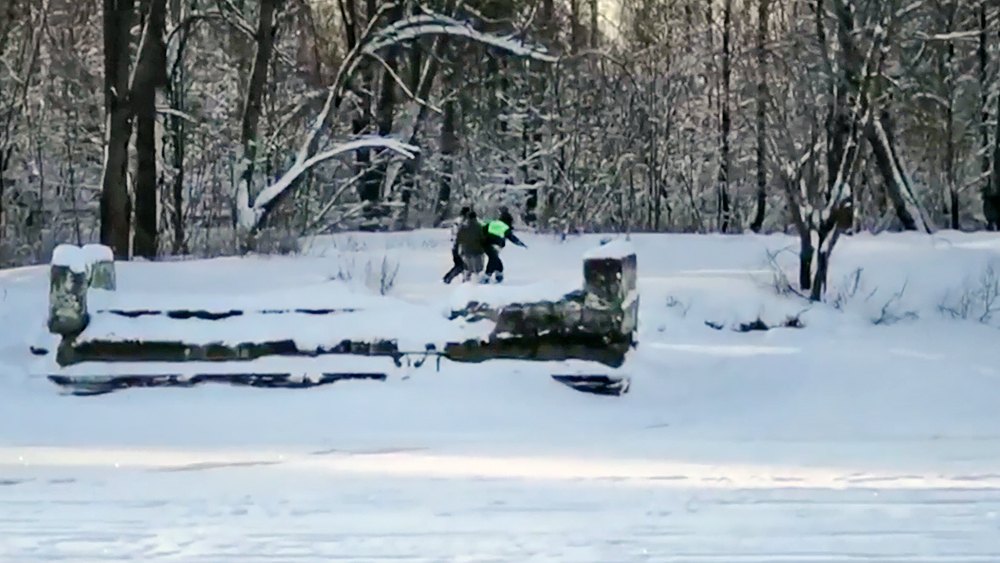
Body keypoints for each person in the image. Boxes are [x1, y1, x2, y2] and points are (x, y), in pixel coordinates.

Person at [481, 207, 527, 283]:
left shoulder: (493, 223)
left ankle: (497, 274)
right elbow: (512, 238)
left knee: (494, 260)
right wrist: (521, 244)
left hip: (486, 245)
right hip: (495, 245)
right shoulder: (505, 227)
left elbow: (483, 231)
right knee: (494, 260)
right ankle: (488, 277)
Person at [443, 207, 487, 283]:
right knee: (476, 268)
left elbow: (457, 236)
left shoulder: (462, 225)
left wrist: (458, 247)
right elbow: (483, 238)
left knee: (465, 267)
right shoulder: (479, 226)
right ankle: (477, 281)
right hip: (477, 250)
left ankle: (464, 280)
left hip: (463, 249)